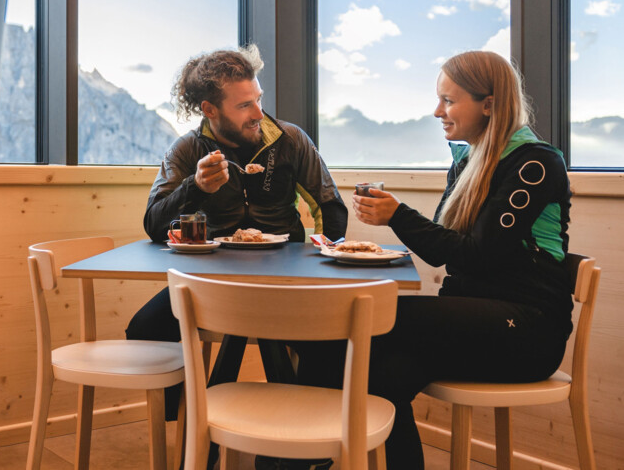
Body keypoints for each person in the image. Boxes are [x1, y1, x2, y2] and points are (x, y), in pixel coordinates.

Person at [295, 50, 573, 468]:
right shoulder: (467, 162)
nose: (436, 110)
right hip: (475, 318)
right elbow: (448, 248)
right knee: (385, 377)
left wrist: (398, 216)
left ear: (489, 104)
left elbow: (479, 255)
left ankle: (293, 459)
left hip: (528, 328)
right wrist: (395, 218)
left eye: (448, 99)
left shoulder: (535, 163)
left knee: (354, 318)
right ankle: (305, 456)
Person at [127, 44, 348, 470]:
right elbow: (154, 223)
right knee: (144, 327)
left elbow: (330, 206)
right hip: (210, 286)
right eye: (245, 104)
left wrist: (324, 261)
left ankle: (299, 451)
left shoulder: (289, 141)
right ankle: (196, 422)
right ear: (210, 109)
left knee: (331, 342)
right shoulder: (188, 152)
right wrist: (195, 188)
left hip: (285, 278)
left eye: (258, 99)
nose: (258, 113)